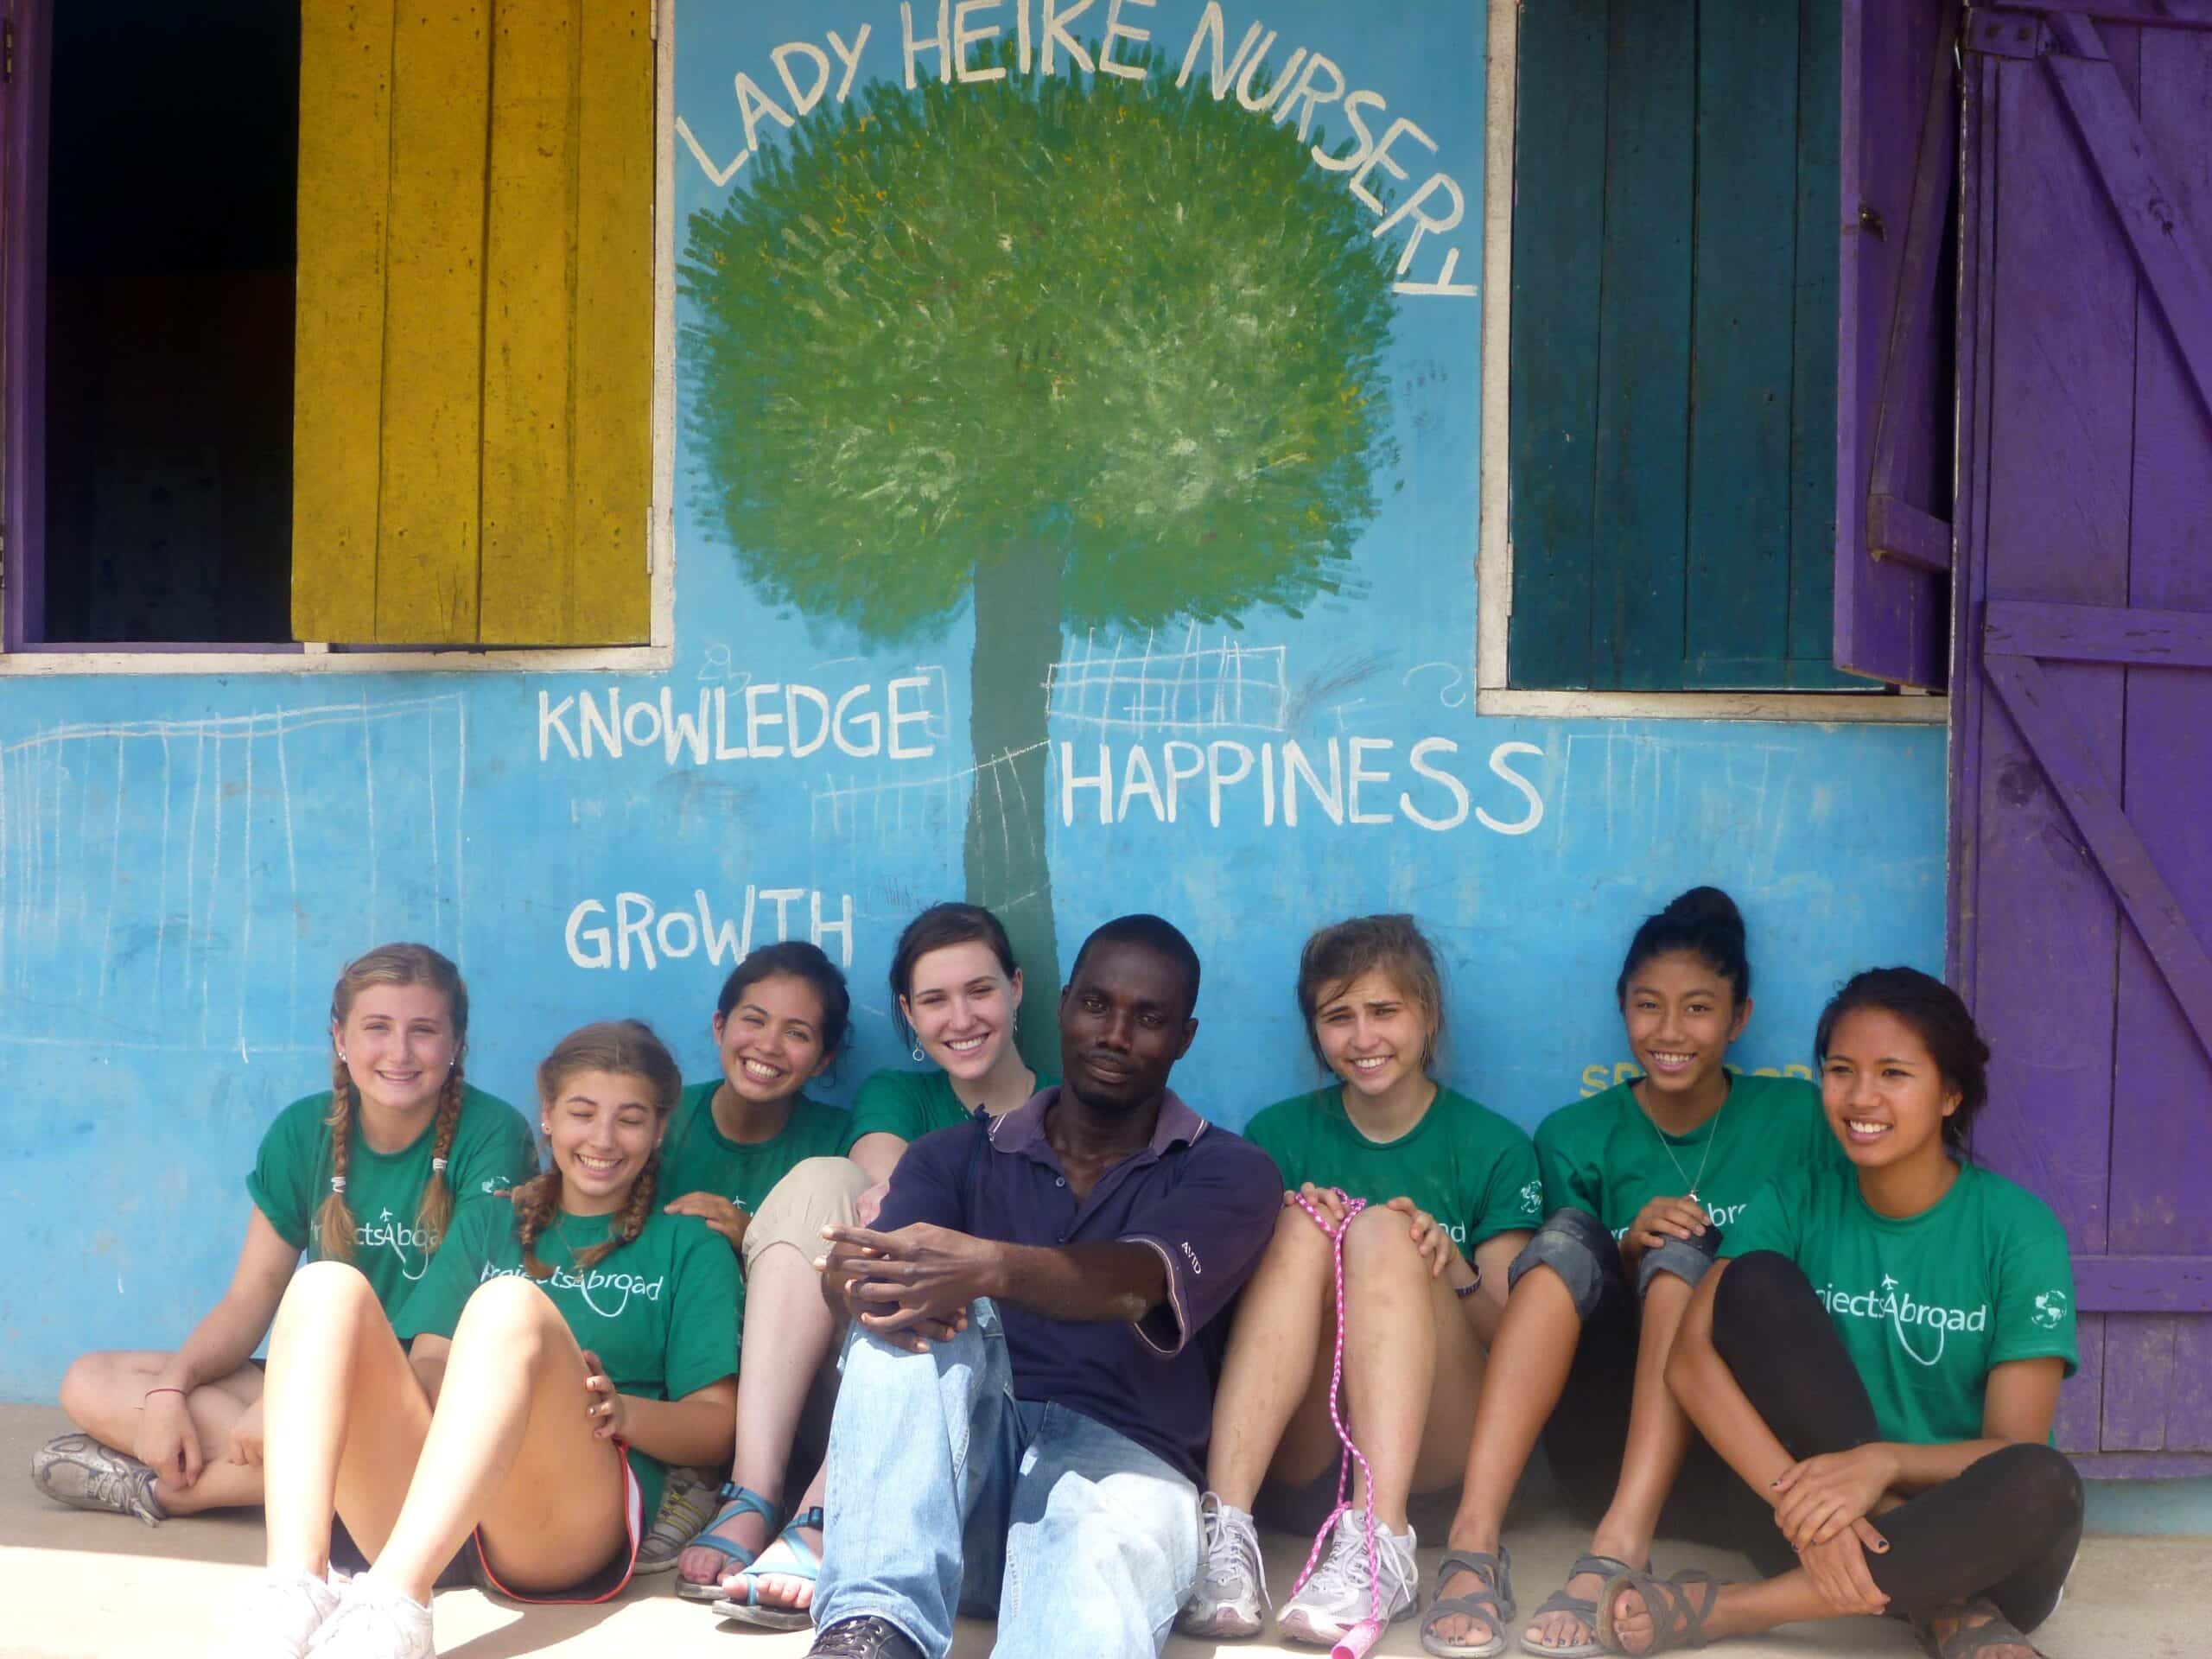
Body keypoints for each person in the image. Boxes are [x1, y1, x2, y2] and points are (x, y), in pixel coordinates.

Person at [802, 914, 1283, 1659]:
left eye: (1148, 1019)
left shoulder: (1227, 1169)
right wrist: (852, 1284)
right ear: (1062, 1007)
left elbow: (1138, 1281)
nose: (1115, 1035)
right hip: (959, 1499)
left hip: (1124, 1471)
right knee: (901, 1320)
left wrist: (988, 1267)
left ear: (1184, 1039)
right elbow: (885, 1278)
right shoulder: (953, 1156)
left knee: (1083, 1543)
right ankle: (871, 1632)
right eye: (1096, 1006)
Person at [210, 1019, 740, 1659]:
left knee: (508, 1304)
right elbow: (429, 1364)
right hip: (432, 1517)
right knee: (325, 1284)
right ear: (546, 1117)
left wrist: (620, 1410)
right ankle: (296, 1587)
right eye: (581, 1112)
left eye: (629, 1119)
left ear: (658, 1131)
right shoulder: (492, 1219)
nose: (602, 1138)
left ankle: (399, 1605)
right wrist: (481, 1385)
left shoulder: (689, 1243)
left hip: (558, 1527)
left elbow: (716, 1429)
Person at [1594, 969, 2081, 1659]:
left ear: (1951, 1092)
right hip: (1803, 1522)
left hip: (1982, 1536)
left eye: (1893, 1074)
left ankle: (1731, 1610)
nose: (1861, 1098)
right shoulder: (1794, 1201)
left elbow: (2011, 1445)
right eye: (1842, 1070)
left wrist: (1878, 1465)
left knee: (2044, 1481)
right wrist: (1811, 1509)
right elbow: (1690, 1360)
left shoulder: (2018, 1230)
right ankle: (1948, 1610)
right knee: (1755, 1281)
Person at [1422, 887, 1840, 1658]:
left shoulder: (1797, 1119)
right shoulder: (1575, 1134)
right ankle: (1473, 1543)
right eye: (1648, 1006)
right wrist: (1623, 1251)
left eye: (1698, 1009)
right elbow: (1560, 1303)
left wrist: (1685, 1261)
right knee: (1569, 1240)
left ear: (1740, 1018)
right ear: (1622, 1009)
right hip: (1602, 1449)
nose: (1670, 1032)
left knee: (1687, 1256)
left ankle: (1622, 1549)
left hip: (1737, 1451)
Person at [35, 944, 536, 1528]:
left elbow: (437, 1348)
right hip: (320, 1383)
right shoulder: (303, 1131)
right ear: (340, 1039)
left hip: (430, 1396)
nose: (399, 1052)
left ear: (457, 1045)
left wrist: (281, 1407)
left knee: (379, 1436)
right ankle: (330, 1482)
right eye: (377, 1028)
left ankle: (178, 1492)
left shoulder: (495, 1135)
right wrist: (170, 1394)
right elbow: (251, 1297)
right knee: (93, 1380)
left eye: (423, 1030)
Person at [1181, 915, 1541, 1645]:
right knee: (1305, 1221)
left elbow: (1515, 1345)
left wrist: (1453, 1265)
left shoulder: (1494, 1145)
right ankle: (1227, 1532)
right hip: (1304, 1457)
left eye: (1385, 1011)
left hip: (1434, 1467)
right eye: (1338, 1017)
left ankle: (1380, 1545)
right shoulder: (1277, 1135)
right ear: (1315, 1031)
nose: (1364, 1038)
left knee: (1383, 1229)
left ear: (1428, 1016)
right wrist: (1289, 1231)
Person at [661, 943, 872, 1626]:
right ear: (719, 1026)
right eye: (754, 1020)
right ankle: (719, 1488)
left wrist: (750, 1229)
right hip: (683, 1389)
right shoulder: (655, 1121)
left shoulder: (841, 1139)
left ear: (827, 1060)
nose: (769, 1045)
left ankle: (766, 1498)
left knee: (824, 1187)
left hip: (810, 1405)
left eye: (799, 1033)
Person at [845, 903, 1051, 1194]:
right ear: (909, 1012)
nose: (962, 1021)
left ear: (1014, 988)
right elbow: (891, 1203)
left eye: (979, 991)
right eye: (934, 1000)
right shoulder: (896, 1097)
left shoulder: (1068, 1108)